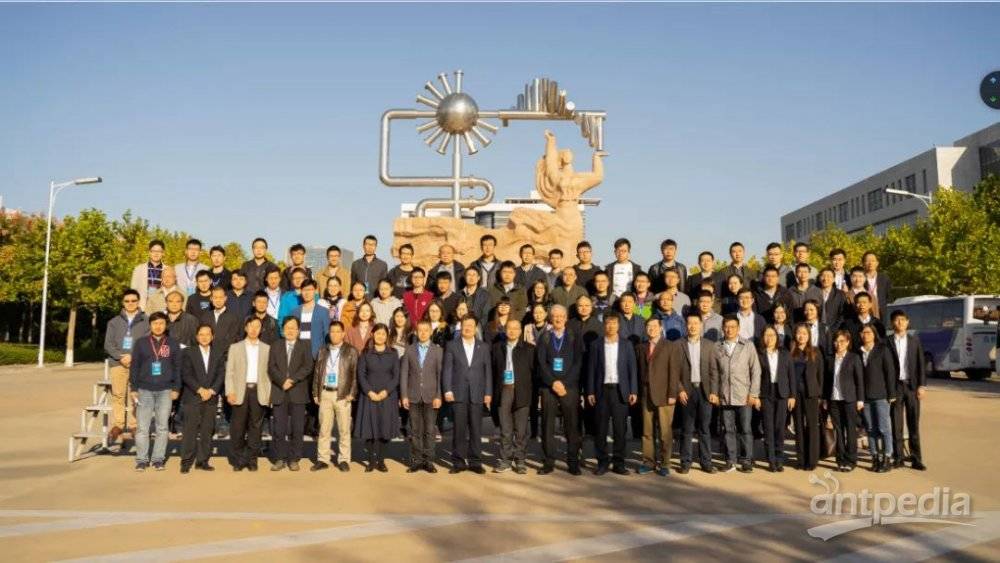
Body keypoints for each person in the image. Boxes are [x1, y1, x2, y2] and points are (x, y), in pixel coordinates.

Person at [129, 311, 182, 471]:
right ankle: (142, 459)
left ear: (166, 325)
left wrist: (176, 388)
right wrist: (134, 388)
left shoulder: (173, 343)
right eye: (155, 323)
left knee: (162, 427)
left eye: (161, 323)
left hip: (165, 390)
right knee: (142, 427)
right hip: (144, 390)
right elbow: (134, 367)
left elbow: (177, 367)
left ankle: (158, 459)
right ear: (150, 325)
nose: (158, 326)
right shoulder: (141, 343)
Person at [586, 313, 638, 476]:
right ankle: (602, 462)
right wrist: (590, 391)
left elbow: (632, 369)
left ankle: (619, 463)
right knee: (600, 429)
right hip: (601, 391)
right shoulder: (596, 345)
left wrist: (633, 390)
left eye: (614, 323)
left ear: (618, 325)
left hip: (620, 391)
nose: (611, 326)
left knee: (620, 429)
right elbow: (591, 369)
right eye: (608, 323)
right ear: (604, 325)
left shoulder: (626, 344)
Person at [536, 304, 583, 475]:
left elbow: (578, 362)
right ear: (550, 318)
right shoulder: (545, 336)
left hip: (569, 387)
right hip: (549, 387)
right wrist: (553, 382)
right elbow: (541, 363)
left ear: (566, 318)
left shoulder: (574, 336)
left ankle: (573, 462)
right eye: (554, 316)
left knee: (572, 425)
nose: (558, 319)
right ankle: (548, 461)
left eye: (561, 316)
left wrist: (565, 383)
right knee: (547, 425)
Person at [711, 315, 761, 473]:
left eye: (733, 326)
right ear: (722, 328)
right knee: (728, 429)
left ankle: (746, 460)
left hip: (744, 395)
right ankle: (730, 460)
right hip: (725, 395)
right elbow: (714, 372)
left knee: (745, 429)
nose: (729, 330)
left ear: (738, 328)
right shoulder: (717, 346)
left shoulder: (747, 345)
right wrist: (715, 392)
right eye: (726, 326)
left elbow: (756, 370)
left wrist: (753, 393)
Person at [443, 315, 493, 474]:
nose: (468, 328)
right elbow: (447, 369)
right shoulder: (452, 345)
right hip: (458, 393)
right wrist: (447, 389)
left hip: (477, 393)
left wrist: (488, 392)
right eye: (465, 324)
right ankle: (458, 462)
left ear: (476, 328)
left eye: (471, 325)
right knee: (459, 429)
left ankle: (475, 462)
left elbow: (488, 371)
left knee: (476, 429)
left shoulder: (483, 347)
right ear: (461, 327)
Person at [267, 317, 314, 471]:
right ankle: (279, 458)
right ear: (282, 330)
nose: (290, 330)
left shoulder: (305, 346)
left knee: (297, 428)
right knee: (279, 428)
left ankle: (294, 458)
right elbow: (271, 367)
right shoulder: (276, 345)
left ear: (298, 330)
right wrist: (282, 381)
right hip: (279, 390)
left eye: (293, 327)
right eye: (287, 327)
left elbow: (308, 367)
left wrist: (292, 380)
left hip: (298, 391)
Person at [311, 320, 358, 472]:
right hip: (325, 393)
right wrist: (315, 392)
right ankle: (322, 459)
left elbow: (355, 374)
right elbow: (317, 372)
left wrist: (352, 393)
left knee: (344, 430)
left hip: (343, 394)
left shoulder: (351, 351)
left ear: (343, 334)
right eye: (332, 331)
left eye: (338, 331)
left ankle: (343, 459)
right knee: (324, 429)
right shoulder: (323, 350)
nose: (335, 334)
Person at [225, 316, 272, 472]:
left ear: (261, 329)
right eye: (251, 326)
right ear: (246, 328)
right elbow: (229, 372)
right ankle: (239, 459)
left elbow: (269, 374)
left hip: (258, 391)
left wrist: (269, 394)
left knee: (255, 428)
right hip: (240, 391)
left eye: (257, 326)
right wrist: (230, 391)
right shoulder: (235, 347)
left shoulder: (267, 348)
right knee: (237, 428)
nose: (253, 329)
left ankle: (252, 459)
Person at [103, 289, 149, 443]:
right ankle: (118, 425)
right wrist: (120, 356)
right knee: (118, 395)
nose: (130, 303)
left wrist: (133, 356)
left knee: (136, 395)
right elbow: (108, 344)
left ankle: (135, 425)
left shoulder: (146, 321)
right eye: (127, 301)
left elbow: (147, 342)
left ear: (138, 302)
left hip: (139, 364)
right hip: (118, 363)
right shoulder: (113, 322)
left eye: (133, 301)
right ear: (123, 303)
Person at [179, 323, 225, 473]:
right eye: (201, 334)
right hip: (192, 396)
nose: (204, 337)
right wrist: (200, 390)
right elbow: (186, 374)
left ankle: (202, 460)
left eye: (207, 334)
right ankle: (186, 461)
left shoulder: (218, 353)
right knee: (190, 431)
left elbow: (221, 374)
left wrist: (212, 390)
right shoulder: (188, 352)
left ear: (212, 336)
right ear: (197, 336)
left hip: (211, 397)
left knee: (207, 430)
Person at [676, 313, 719, 474]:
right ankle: (685, 462)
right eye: (690, 323)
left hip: (705, 391)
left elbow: (714, 371)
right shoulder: (678, 344)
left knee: (704, 428)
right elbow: (674, 371)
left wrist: (714, 391)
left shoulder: (709, 345)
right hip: (687, 392)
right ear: (685, 325)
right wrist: (679, 389)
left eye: (696, 323)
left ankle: (706, 462)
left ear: (701, 325)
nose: (692, 326)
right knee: (687, 429)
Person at [355, 324, 401, 472]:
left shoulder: (393, 353)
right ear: (372, 334)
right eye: (378, 333)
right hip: (369, 396)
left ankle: (381, 461)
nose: (380, 336)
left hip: (387, 396)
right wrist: (369, 392)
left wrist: (386, 392)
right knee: (369, 430)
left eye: (383, 334)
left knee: (384, 429)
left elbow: (396, 376)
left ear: (387, 336)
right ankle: (371, 461)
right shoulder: (366, 353)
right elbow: (361, 375)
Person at [491, 319, 535, 473]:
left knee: (521, 430)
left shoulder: (529, 349)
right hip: (504, 390)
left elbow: (534, 373)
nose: (512, 331)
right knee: (505, 429)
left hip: (522, 390)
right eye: (509, 328)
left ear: (520, 331)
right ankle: (505, 460)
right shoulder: (497, 348)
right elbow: (493, 371)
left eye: (516, 328)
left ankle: (520, 460)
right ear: (505, 330)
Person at [400, 319, 443, 473]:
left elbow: (440, 375)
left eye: (426, 330)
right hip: (413, 395)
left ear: (431, 332)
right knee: (415, 430)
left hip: (431, 396)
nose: (423, 333)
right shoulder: (409, 350)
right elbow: (404, 374)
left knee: (429, 430)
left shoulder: (438, 351)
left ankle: (428, 460)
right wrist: (404, 395)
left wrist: (439, 395)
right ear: (416, 332)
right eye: (420, 330)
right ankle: (416, 460)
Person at [636, 317, 677, 476]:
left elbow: (674, 371)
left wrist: (672, 393)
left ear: (660, 328)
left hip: (664, 394)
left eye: (654, 326)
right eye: (648, 326)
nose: (651, 328)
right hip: (646, 394)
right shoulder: (641, 347)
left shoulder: (670, 346)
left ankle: (665, 463)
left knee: (665, 432)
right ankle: (648, 462)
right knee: (647, 431)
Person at [887, 309, 927, 470]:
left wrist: (922, 385)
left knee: (913, 424)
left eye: (903, 320)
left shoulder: (914, 341)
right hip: (895, 387)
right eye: (897, 320)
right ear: (892, 323)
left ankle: (916, 458)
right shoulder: (886, 342)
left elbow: (921, 364)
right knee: (896, 424)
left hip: (911, 387)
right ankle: (898, 458)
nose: (900, 322)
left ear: (908, 322)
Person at [824, 330, 865, 472]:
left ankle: (851, 460)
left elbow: (859, 380)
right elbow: (826, 381)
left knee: (850, 430)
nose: (839, 344)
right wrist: (825, 398)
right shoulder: (830, 359)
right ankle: (840, 459)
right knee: (839, 431)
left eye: (842, 341)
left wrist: (860, 399)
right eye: (836, 341)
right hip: (834, 400)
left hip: (849, 399)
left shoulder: (854, 358)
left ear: (848, 342)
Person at [858, 324, 896, 473]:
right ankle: (875, 457)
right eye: (863, 332)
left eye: (868, 332)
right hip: (865, 396)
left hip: (881, 395)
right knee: (870, 428)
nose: (865, 335)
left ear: (874, 334)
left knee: (883, 428)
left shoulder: (882, 350)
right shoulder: (858, 352)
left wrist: (891, 394)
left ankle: (887, 457)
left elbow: (890, 372)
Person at [757, 325, 795, 472]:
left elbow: (791, 375)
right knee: (768, 427)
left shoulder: (785, 354)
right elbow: (755, 376)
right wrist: (755, 396)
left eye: (772, 335)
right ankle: (771, 460)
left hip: (782, 393)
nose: (770, 338)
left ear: (777, 337)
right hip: (765, 393)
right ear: (763, 338)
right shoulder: (759, 354)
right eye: (766, 335)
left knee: (780, 427)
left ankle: (779, 459)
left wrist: (792, 396)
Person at [790, 323, 824, 471]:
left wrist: (820, 394)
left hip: (811, 393)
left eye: (804, 333)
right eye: (799, 333)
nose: (801, 336)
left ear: (809, 336)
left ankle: (812, 460)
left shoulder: (815, 352)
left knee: (812, 426)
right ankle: (801, 459)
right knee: (798, 426)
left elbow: (821, 374)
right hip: (795, 394)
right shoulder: (790, 352)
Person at [289, 279, 330, 359]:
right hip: (298, 354)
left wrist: (324, 354)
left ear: (315, 291)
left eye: (310, 290)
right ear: (301, 291)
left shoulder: (323, 311)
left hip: (317, 354)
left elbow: (327, 334)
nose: (307, 293)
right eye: (304, 290)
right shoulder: (294, 312)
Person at [199, 286, 243, 351]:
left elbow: (233, 339)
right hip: (208, 353)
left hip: (227, 354)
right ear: (211, 299)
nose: (218, 300)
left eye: (221, 297)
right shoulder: (205, 317)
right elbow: (202, 337)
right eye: (215, 297)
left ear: (225, 298)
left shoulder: (233, 317)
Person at [130, 239, 166, 311]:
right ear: (149, 252)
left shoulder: (168, 270)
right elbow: (133, 290)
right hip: (142, 308)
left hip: (160, 308)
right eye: (153, 251)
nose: (156, 254)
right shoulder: (138, 269)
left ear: (163, 253)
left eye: (159, 251)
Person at [351, 234, 388, 299]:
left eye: (372, 245)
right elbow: (352, 284)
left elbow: (384, 285)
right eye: (367, 244)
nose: (370, 247)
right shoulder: (356, 264)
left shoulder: (382, 265)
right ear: (363, 246)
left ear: (376, 247)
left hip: (376, 300)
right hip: (359, 300)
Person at [862, 251, 892, 319]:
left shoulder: (884, 278)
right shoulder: (860, 278)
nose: (870, 263)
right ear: (863, 263)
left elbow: (889, 296)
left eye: (873, 261)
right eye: (867, 261)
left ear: (877, 263)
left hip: (882, 312)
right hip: (865, 312)